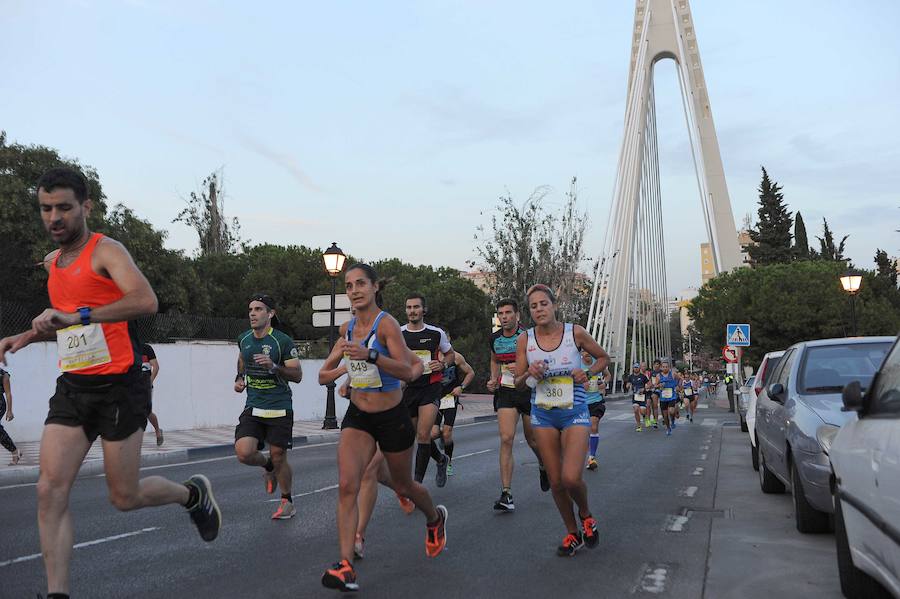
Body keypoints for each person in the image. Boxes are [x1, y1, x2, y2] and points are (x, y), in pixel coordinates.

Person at [0, 167, 220, 599]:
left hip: (121, 386)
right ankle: (58, 593)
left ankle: (191, 494)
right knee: (49, 488)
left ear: (86, 207)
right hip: (74, 387)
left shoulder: (106, 251)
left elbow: (145, 301)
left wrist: (78, 315)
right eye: (46, 209)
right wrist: (25, 337)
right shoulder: (54, 263)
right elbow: (64, 323)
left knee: (125, 495)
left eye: (64, 207)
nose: (54, 218)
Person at [318, 264, 447, 592]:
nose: (354, 290)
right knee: (348, 484)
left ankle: (434, 518)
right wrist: (343, 368)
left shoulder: (386, 325)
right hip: (359, 416)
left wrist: (371, 355)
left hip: (392, 416)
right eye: (349, 285)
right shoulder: (347, 329)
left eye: (361, 283)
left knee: (404, 485)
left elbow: (410, 370)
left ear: (375, 287)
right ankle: (345, 565)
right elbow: (322, 375)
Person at [514, 284, 610, 557]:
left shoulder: (574, 332)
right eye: (533, 306)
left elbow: (603, 358)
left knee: (570, 478)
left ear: (554, 305)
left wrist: (588, 374)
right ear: (530, 312)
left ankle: (587, 515)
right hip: (542, 415)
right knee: (555, 482)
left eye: (543, 304)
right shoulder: (526, 340)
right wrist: (528, 372)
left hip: (574, 412)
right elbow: (519, 385)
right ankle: (572, 533)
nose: (539, 309)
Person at [233, 294, 303, 520]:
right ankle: (267, 466)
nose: (253, 313)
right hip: (254, 405)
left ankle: (287, 501)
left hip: (279, 406)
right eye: (251, 309)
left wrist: (275, 367)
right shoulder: (244, 339)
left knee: (279, 454)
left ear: (270, 314)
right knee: (244, 452)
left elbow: (297, 375)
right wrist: (239, 377)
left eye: (259, 309)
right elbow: (242, 359)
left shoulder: (282, 341)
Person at [488, 298, 548, 513]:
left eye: (508, 313)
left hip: (529, 391)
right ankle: (506, 493)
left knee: (533, 439)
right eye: (500, 313)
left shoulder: (528, 336)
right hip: (506, 391)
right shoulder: (494, 338)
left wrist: (524, 369)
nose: (504, 317)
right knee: (506, 439)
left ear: (517, 316)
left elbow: (543, 360)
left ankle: (543, 464)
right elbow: (495, 359)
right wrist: (493, 379)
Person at [400, 294, 453, 487]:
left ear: (424, 310)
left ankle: (416, 486)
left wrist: (443, 364)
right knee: (418, 436)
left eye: (416, 307)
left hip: (431, 387)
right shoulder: (399, 333)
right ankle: (440, 459)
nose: (412, 311)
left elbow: (450, 354)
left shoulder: (435, 333)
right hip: (409, 389)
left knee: (424, 435)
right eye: (409, 307)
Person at [432, 348, 475, 477]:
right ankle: (441, 450)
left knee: (448, 432)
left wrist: (461, 387)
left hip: (450, 397)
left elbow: (470, 372)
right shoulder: (430, 355)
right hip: (434, 398)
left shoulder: (456, 356)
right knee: (433, 434)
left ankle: (449, 462)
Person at [581, 351, 608, 470]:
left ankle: (592, 457)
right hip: (581, 402)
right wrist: (580, 386)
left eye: (588, 355)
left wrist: (604, 383)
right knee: (584, 432)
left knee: (593, 425)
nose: (586, 357)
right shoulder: (577, 363)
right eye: (584, 354)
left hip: (596, 401)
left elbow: (607, 375)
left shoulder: (598, 362)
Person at [139, 342, 164, 446]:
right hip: (131, 386)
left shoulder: (146, 348)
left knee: (146, 411)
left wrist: (150, 382)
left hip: (145, 386)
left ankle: (157, 431)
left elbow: (156, 367)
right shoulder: (127, 349)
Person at [654, 360, 683, 436]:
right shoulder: (658, 376)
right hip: (663, 398)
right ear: (661, 367)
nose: (665, 368)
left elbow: (680, 379)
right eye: (663, 367)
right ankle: (668, 428)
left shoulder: (673, 374)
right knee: (665, 416)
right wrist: (659, 385)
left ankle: (673, 421)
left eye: (666, 367)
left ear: (669, 368)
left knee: (671, 411)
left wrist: (678, 386)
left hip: (672, 397)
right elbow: (655, 385)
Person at [0, 366, 20, 465]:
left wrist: (9, 411)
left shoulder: (4, 375)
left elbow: (8, 393)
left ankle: (15, 451)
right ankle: (15, 452)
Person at [625, 363, 649, 432]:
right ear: (633, 368)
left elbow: (650, 384)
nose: (636, 368)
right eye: (634, 367)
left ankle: (645, 417)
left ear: (639, 368)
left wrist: (644, 389)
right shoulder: (631, 376)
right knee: (635, 410)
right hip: (635, 396)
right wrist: (628, 385)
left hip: (642, 396)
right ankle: (639, 426)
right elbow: (628, 384)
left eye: (637, 367)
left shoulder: (643, 376)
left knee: (642, 411)